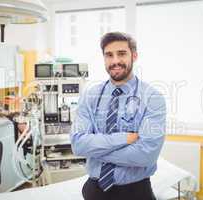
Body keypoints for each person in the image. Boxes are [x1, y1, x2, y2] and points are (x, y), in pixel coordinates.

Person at [70, 32, 166, 200]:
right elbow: (78, 145)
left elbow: (146, 155)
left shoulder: (152, 97)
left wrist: (94, 150)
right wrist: (123, 139)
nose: (115, 61)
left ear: (134, 56)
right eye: (109, 55)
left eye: (121, 54)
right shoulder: (90, 96)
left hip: (136, 191)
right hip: (94, 190)